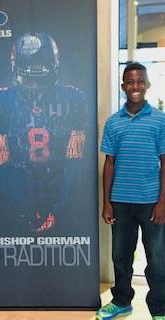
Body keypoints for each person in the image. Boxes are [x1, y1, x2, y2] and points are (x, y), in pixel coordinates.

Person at [0, 31, 87, 233]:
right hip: (17, 192)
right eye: (28, 79)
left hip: (60, 192)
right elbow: (2, 163)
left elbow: (73, 163)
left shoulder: (75, 100)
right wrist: (22, 207)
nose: (35, 87)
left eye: (41, 81)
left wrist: (56, 207)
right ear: (15, 70)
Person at [96, 62, 165, 320]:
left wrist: (162, 203)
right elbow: (109, 163)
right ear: (123, 86)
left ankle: (159, 308)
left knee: (157, 258)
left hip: (151, 202)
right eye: (130, 82)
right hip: (121, 202)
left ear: (147, 85)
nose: (135, 86)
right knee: (120, 256)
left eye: (140, 81)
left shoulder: (160, 120)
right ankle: (122, 301)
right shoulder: (113, 123)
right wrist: (107, 202)